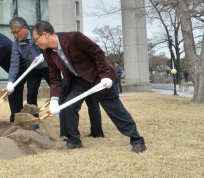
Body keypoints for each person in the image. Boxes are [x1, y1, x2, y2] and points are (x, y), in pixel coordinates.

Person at [32, 20, 146, 153]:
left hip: (98, 77)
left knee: (115, 109)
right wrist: (54, 100)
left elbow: (98, 53)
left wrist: (105, 76)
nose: (36, 43)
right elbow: (55, 78)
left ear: (45, 34)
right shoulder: (48, 54)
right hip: (79, 81)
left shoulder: (75, 38)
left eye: (36, 39)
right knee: (69, 105)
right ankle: (74, 141)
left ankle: (137, 140)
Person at [7, 17, 50, 129]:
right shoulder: (16, 43)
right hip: (32, 69)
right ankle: (33, 123)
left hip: (48, 67)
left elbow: (49, 45)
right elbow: (14, 63)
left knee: (59, 93)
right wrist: (11, 82)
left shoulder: (37, 33)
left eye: (17, 32)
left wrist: (44, 55)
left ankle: (65, 120)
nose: (15, 35)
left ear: (25, 28)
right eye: (13, 33)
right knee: (31, 95)